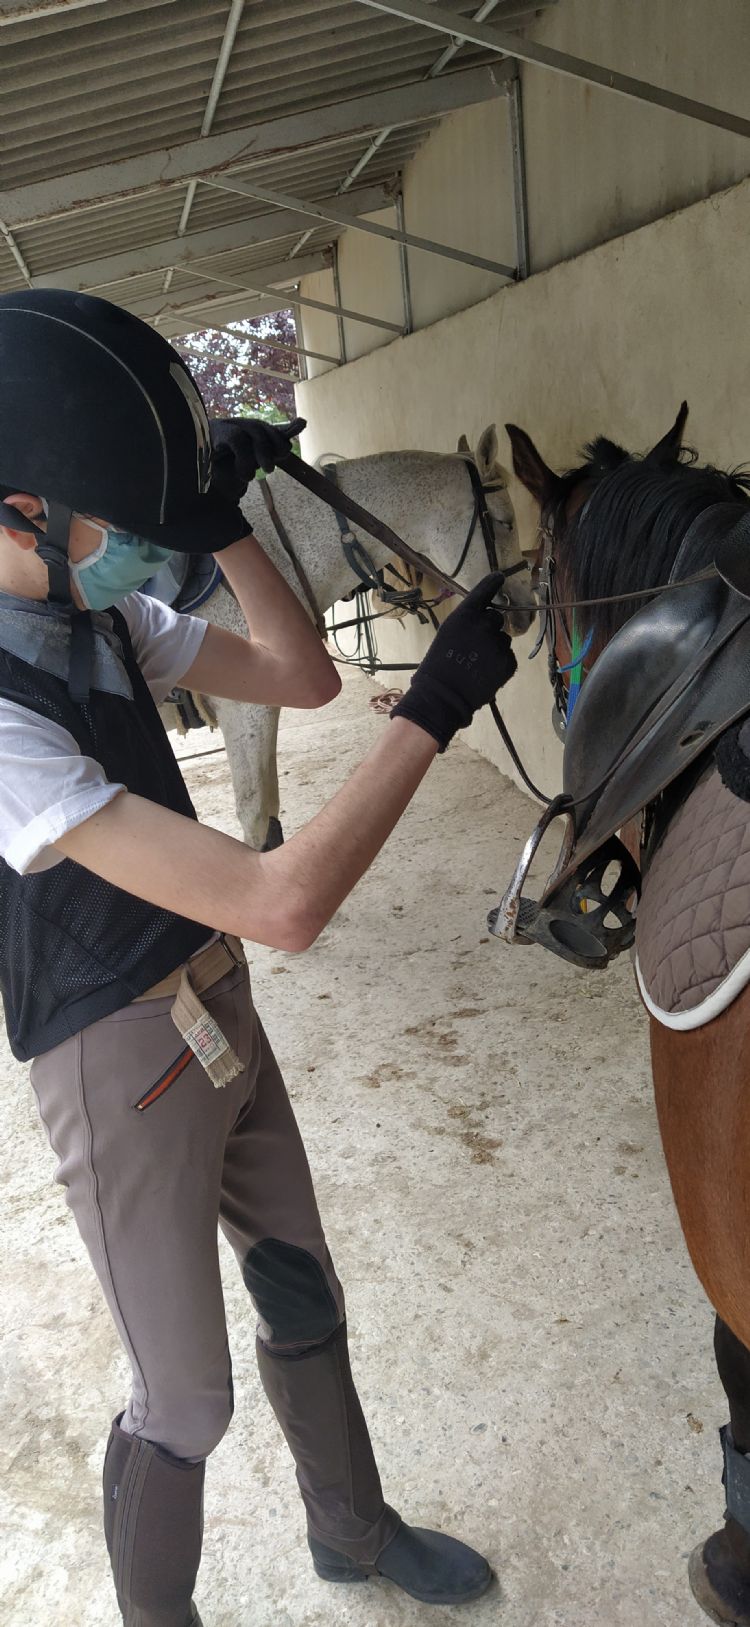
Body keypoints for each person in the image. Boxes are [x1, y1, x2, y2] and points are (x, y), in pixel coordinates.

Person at [0, 288, 517, 1627]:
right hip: (117, 1058)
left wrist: (223, 527)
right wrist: (441, 706)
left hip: (212, 1008)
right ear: (16, 512)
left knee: (301, 1285)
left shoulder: (94, 615)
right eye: (103, 516)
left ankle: (351, 1531)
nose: (125, 552)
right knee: (186, 1398)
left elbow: (302, 679)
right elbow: (280, 903)